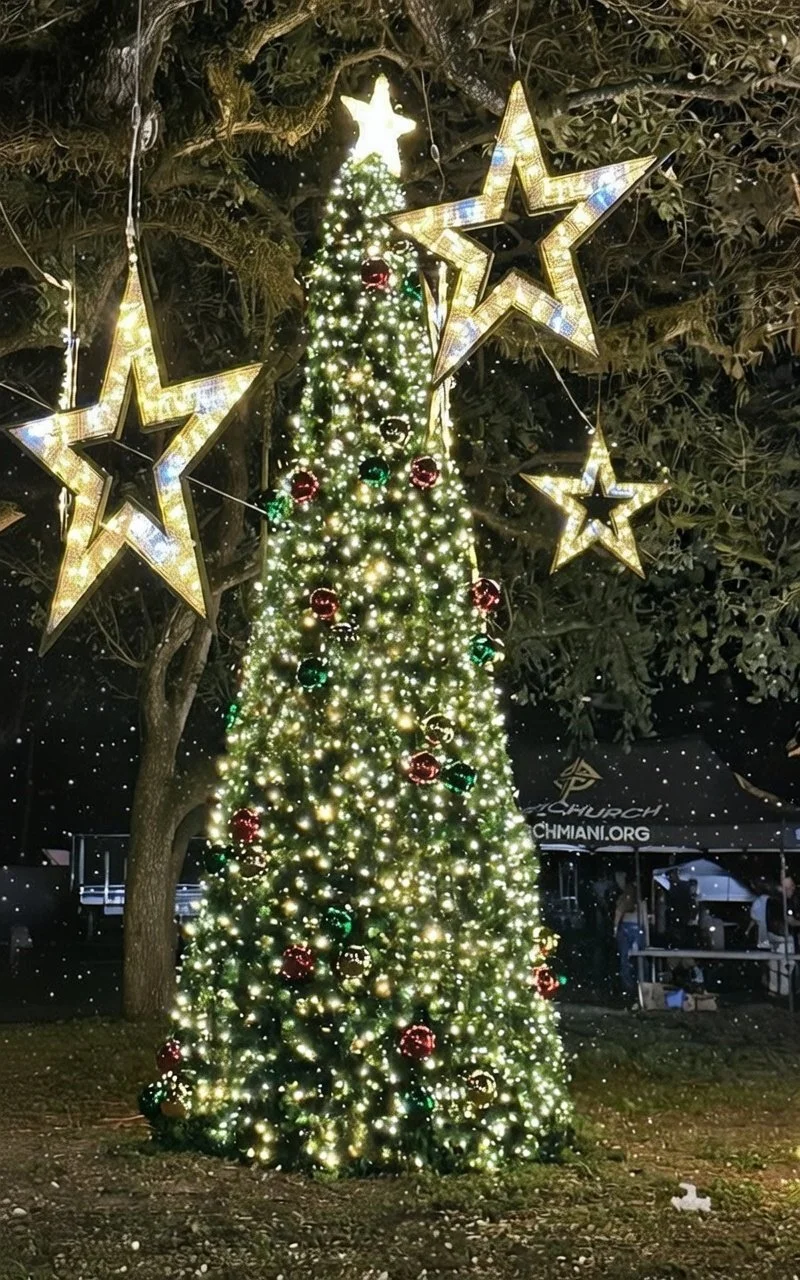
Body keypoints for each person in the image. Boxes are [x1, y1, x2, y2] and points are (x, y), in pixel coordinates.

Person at [765, 875, 800, 997]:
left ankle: (774, 989)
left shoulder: (771, 900)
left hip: (773, 935)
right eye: (789, 887)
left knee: (775, 962)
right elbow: (789, 920)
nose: (792, 889)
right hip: (784, 936)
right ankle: (784, 992)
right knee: (787, 964)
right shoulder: (785, 901)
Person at [613, 876, 646, 1004]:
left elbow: (618, 913)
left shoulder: (629, 900)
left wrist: (615, 929)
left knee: (626, 960)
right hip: (635, 929)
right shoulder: (637, 901)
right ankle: (637, 988)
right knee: (636, 960)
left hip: (628, 928)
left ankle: (630, 989)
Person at [665, 868, 693, 948]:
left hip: (682, 914)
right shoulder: (672, 885)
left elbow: (687, 900)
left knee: (682, 932)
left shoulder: (683, 885)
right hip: (675, 915)